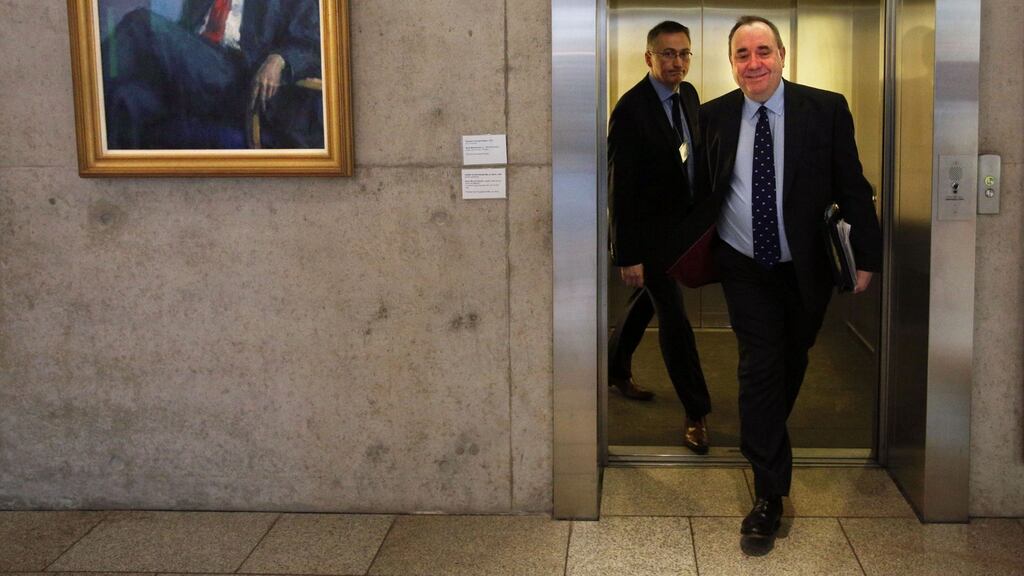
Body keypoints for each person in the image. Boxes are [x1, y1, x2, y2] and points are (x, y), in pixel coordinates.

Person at [695, 15, 882, 546]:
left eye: (762, 51)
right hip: (742, 264)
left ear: (782, 54)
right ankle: (768, 494)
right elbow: (697, 192)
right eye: (741, 55)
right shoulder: (712, 117)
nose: (753, 63)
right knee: (760, 367)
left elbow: (852, 181)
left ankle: (766, 443)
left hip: (805, 268)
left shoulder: (824, 109)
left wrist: (866, 256)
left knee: (791, 358)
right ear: (731, 64)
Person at [608, 20, 712, 454]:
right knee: (674, 319)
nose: (678, 62)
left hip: (682, 230)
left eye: (685, 53)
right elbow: (621, 187)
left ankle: (615, 368)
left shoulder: (688, 95)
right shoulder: (631, 110)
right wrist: (628, 255)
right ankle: (696, 411)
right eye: (668, 54)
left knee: (648, 301)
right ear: (648, 57)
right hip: (648, 235)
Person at [101, 0, 323, 150]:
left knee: (140, 22)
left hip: (240, 78)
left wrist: (279, 59)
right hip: (194, 79)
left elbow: (313, 42)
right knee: (126, 97)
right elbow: (184, 36)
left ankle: (87, 96)